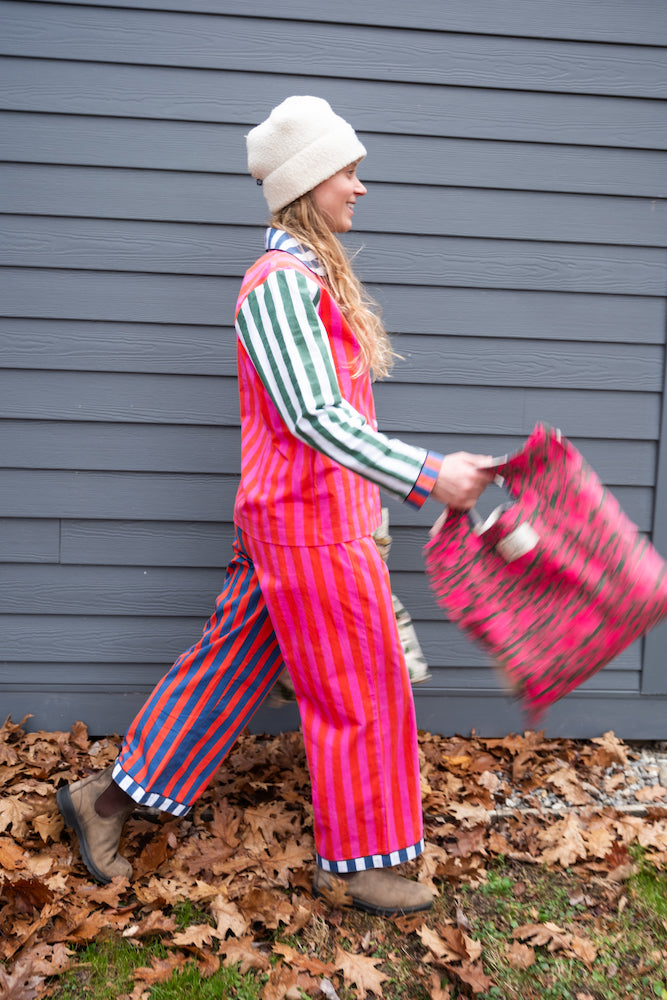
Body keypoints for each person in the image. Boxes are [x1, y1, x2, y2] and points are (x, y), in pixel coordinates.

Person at [56, 96, 493, 916]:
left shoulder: (308, 279)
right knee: (359, 688)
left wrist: (376, 515)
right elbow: (314, 419)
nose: (360, 187)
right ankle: (359, 864)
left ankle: (100, 803)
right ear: (306, 183)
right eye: (347, 171)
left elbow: (335, 423)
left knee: (224, 673)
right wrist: (429, 475)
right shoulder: (279, 288)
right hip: (305, 530)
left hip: (308, 524)